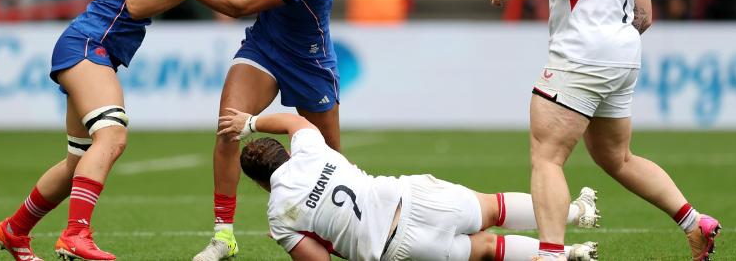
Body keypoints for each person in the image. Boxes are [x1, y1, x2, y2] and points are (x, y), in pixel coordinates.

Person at [0, 0, 218, 261]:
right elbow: (136, 5)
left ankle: (14, 230)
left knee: (77, 159)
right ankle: (76, 234)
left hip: (94, 50)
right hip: (86, 46)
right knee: (112, 134)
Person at [489, 0, 721, 261]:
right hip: (624, 57)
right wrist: (613, 45)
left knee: (547, 157)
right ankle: (693, 221)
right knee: (617, 157)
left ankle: (550, 255)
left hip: (582, 55)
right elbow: (645, 14)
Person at [135, 0, 340, 261]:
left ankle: (335, 228)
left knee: (330, 156)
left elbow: (239, 6)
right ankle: (223, 235)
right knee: (229, 127)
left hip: (309, 60)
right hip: (264, 47)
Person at [217, 109, 599, 261]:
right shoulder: (309, 150)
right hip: (412, 198)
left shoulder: (279, 216)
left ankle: (570, 254)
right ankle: (578, 213)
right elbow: (293, 121)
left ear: (259, 183)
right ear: (283, 154)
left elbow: (318, 260)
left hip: (397, 248)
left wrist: (288, 237)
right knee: (493, 208)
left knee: (486, 249)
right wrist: (250, 123)